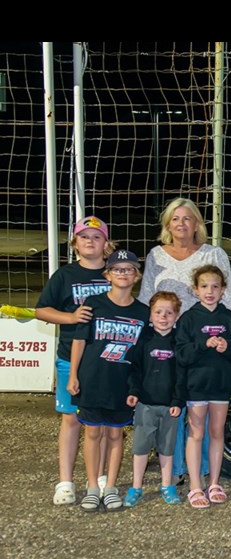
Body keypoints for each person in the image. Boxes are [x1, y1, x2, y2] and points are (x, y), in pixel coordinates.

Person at [139, 197, 231, 484]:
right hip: (168, 339)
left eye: (187, 218)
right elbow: (147, 296)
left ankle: (207, 471)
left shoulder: (213, 254)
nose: (181, 223)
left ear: (197, 223)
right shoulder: (156, 255)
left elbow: (228, 296)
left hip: (205, 343)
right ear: (167, 224)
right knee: (173, 405)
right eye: (175, 218)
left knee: (204, 409)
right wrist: (146, 339)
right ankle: (175, 469)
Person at [35, 216, 114, 505]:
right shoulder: (65, 276)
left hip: (107, 360)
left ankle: (103, 477)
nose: (90, 242)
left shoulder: (115, 273)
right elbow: (41, 310)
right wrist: (69, 317)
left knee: (103, 421)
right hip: (71, 356)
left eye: (96, 237)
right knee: (71, 419)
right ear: (75, 243)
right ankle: (65, 481)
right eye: (84, 237)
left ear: (106, 244)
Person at [67, 249, 151, 512]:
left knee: (116, 434)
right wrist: (73, 375)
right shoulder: (93, 303)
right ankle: (93, 487)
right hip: (92, 378)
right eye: (117, 269)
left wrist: (137, 386)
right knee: (92, 432)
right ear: (108, 274)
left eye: (129, 269)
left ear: (137, 276)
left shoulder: (142, 312)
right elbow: (79, 340)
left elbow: (141, 356)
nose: (123, 274)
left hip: (122, 382)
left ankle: (111, 486)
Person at [175, 265, 231, 508]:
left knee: (217, 433)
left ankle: (214, 482)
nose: (210, 291)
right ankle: (195, 486)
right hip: (196, 385)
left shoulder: (229, 318)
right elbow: (181, 353)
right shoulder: (188, 319)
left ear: (223, 289)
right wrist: (203, 344)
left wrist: (227, 346)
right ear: (195, 290)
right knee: (195, 434)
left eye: (215, 286)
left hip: (221, 385)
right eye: (204, 286)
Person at [123, 291, 186, 507]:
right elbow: (135, 369)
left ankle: (167, 486)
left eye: (169, 312)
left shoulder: (179, 342)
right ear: (150, 315)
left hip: (170, 406)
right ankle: (136, 487)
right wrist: (133, 392)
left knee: (166, 449)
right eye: (158, 312)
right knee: (140, 447)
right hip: (145, 404)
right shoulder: (143, 340)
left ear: (177, 315)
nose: (163, 316)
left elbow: (182, 375)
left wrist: (178, 401)